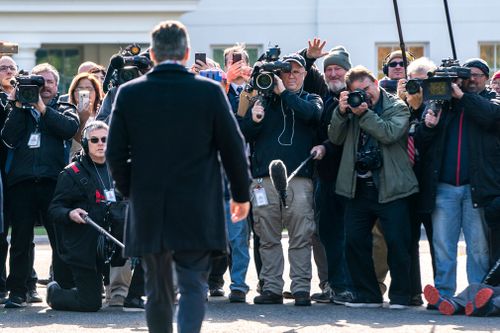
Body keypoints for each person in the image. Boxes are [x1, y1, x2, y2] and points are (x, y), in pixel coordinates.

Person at [106, 20, 250, 333]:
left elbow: (114, 153)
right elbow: (233, 149)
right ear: (186, 53)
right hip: (197, 204)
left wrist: (133, 190)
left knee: (157, 289)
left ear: (153, 55)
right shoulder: (209, 92)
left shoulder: (129, 93)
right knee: (193, 285)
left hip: (149, 203)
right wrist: (241, 195)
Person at [329, 66, 418, 309]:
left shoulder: (396, 106)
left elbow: (389, 133)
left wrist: (364, 114)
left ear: (376, 83)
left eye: (367, 89)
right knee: (354, 242)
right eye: (357, 91)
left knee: (398, 243)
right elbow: (335, 138)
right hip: (358, 186)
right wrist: (340, 111)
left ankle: (401, 296)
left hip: (391, 186)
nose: (364, 95)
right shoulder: (350, 108)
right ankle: (367, 294)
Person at [239, 53, 323, 306]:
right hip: (264, 180)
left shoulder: (311, 98)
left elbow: (312, 115)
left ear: (305, 75)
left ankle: (300, 290)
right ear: (279, 75)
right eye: (287, 72)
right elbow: (244, 133)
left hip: (299, 179)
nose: (292, 76)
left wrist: (285, 93)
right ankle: (272, 288)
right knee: (267, 238)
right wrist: (254, 118)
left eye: (297, 72)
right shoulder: (262, 101)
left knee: (301, 237)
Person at [416, 58, 500, 303]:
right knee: (443, 245)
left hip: (476, 189)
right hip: (443, 188)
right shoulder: (442, 104)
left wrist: (462, 97)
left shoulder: (490, 101)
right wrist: (428, 126)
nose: (471, 79)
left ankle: (476, 295)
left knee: (478, 248)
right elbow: (421, 143)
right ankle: (443, 296)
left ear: (486, 77)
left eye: (476, 75)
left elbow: (491, 118)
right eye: (467, 75)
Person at [1, 63, 79, 308]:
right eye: (39, 81)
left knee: (60, 239)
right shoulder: (17, 109)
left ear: (57, 86)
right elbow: (7, 138)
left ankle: (64, 289)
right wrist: (16, 104)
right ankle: (17, 291)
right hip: (21, 182)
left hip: (54, 183)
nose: (44, 86)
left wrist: (42, 108)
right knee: (21, 240)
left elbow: (68, 130)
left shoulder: (65, 108)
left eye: (50, 82)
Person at [46, 121, 123, 311]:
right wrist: (70, 213)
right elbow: (55, 209)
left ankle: (134, 295)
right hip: (83, 248)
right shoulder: (71, 173)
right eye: (94, 140)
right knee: (90, 303)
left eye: (105, 139)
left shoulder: (120, 171)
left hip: (113, 246)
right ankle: (54, 292)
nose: (100, 143)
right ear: (86, 143)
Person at [298, 41, 353, 304]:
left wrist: (326, 146)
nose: (333, 74)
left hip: (353, 177)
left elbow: (346, 136)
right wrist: (308, 58)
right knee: (328, 232)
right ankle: (335, 285)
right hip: (326, 176)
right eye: (329, 69)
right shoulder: (325, 93)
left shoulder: (355, 96)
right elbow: (300, 72)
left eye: (338, 70)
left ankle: (349, 286)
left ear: (347, 72)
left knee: (350, 234)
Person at [396, 57, 438, 306]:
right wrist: (405, 103)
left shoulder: (438, 106)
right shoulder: (399, 106)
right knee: (405, 239)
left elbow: (427, 139)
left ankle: (441, 291)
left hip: (430, 182)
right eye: (413, 82)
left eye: (423, 82)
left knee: (437, 241)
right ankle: (411, 291)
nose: (418, 87)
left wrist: (420, 108)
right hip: (404, 182)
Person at [67, 72, 104, 159]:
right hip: (78, 166)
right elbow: (77, 145)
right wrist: (82, 120)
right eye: (80, 89)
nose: (85, 92)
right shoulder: (68, 114)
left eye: (89, 89)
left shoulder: (103, 114)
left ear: (96, 92)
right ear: (73, 92)